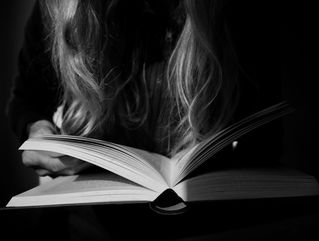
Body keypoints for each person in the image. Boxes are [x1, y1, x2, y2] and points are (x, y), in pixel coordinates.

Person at [7, 0, 283, 178]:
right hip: (91, 232)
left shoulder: (233, 14)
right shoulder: (63, 9)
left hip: (210, 229)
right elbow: (27, 101)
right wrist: (37, 132)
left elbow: (267, 128)